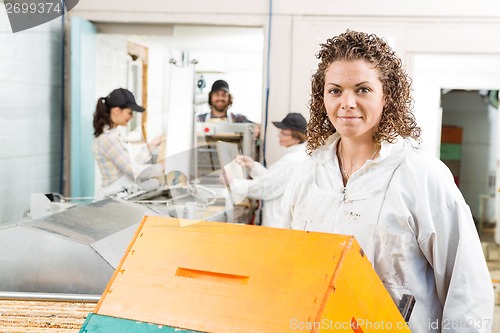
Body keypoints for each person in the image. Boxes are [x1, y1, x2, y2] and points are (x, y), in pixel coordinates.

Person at [281, 30, 493, 332]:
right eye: (335, 90)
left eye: (363, 89)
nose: (347, 103)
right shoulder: (306, 176)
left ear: (387, 96)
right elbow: (293, 272)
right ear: (322, 97)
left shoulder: (422, 176)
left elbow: (467, 289)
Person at [224, 113, 308, 228]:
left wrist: (233, 182)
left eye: (284, 133)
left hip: (279, 223)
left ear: (298, 137)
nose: (279, 136)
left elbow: (266, 187)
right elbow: (276, 180)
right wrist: (253, 166)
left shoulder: (292, 160)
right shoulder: (300, 155)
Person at [93, 88, 164, 196]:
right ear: (116, 111)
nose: (131, 117)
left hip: (120, 193)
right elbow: (133, 171)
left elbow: (131, 164)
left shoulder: (113, 135)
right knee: (154, 183)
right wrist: (162, 167)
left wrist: (151, 146)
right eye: (130, 113)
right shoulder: (108, 139)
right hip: (114, 196)